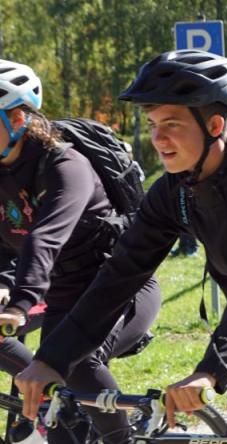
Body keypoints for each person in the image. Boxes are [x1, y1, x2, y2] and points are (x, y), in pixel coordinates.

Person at [15, 50, 227, 443]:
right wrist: (52, 359)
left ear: (214, 124)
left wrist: (212, 368)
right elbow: (119, 277)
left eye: (171, 124)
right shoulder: (173, 191)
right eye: (152, 124)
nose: (157, 138)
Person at [0, 59, 161, 444]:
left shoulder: (65, 165)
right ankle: (65, 412)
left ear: (17, 118)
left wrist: (19, 304)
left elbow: (47, 236)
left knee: (76, 362)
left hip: (118, 289)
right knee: (61, 426)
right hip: (62, 299)